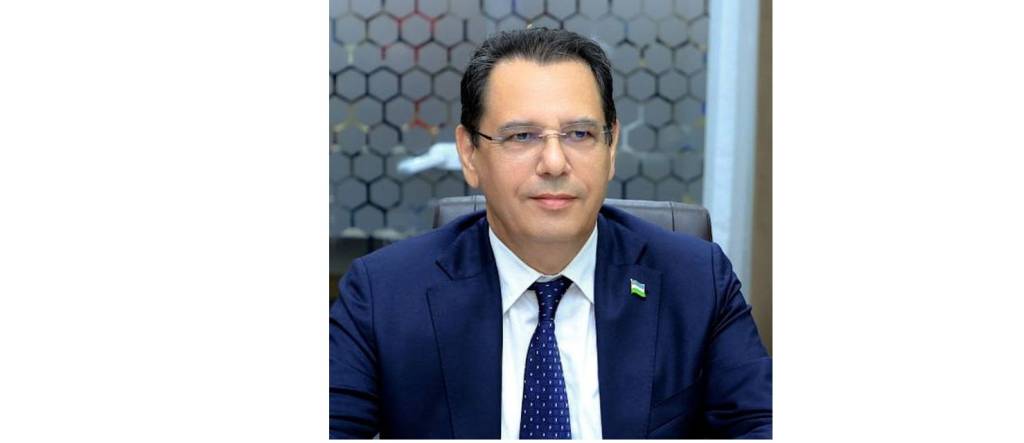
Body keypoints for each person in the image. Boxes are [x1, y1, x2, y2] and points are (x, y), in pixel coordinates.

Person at [330, 28, 771, 439]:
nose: (555, 163)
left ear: (611, 147)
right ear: (469, 154)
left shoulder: (696, 282)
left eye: (579, 133)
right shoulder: (383, 295)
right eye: (522, 136)